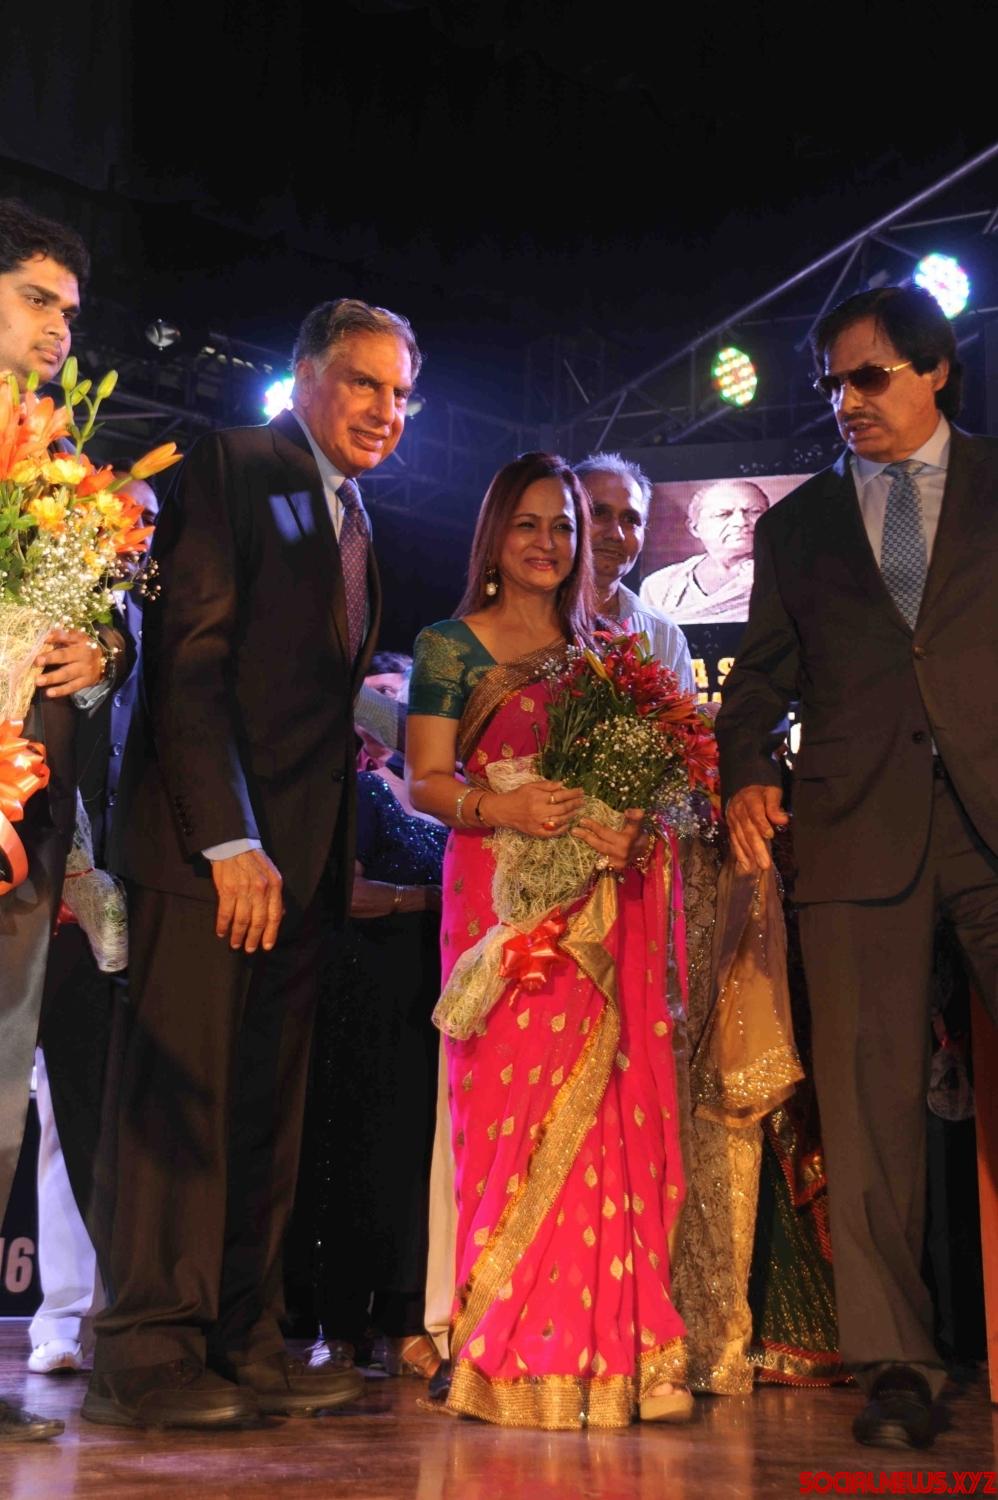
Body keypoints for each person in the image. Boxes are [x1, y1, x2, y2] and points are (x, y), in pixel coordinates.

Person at [86, 298, 420, 1430]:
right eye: (364, 382)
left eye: (401, 394)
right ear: (305, 375)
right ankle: (146, 1353)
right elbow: (189, 665)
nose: (385, 410)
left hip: (303, 868)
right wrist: (228, 838)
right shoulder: (235, 466)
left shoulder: (351, 512)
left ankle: (243, 1341)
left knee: (264, 1115)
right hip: (208, 858)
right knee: (179, 1107)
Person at [716, 285, 998, 1449]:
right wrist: (745, 770)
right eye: (831, 382)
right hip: (850, 833)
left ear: (934, 371)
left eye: (868, 375)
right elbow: (756, 682)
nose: (845, 400)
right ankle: (896, 1366)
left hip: (988, 822)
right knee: (868, 1108)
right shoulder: (796, 528)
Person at [406, 452, 690, 1429]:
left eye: (563, 526)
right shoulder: (450, 647)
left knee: (603, 1112)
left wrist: (631, 826)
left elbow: (655, 784)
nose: (547, 543)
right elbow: (425, 781)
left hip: (598, 909)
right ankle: (507, 1345)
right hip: (497, 903)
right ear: (494, 536)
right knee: (507, 1117)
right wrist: (506, 807)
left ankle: (615, 1352)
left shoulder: (607, 652)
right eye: (527, 524)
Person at [0, 198, 125, 1443]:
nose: (59, 329)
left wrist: (101, 656)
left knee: (4, 1091)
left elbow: (114, 634)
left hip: (31, 827)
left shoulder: (70, 476)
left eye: (70, 313)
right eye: (37, 299)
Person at [301, 654, 446, 1380]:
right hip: (369, 991)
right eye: (386, 700)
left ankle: (407, 1317)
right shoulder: (360, 789)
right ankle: (343, 1321)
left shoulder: (446, 795)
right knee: (365, 1152)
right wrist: (423, 901)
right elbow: (342, 894)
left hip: (435, 994)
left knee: (421, 1158)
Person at [573, 452, 695, 693]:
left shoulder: (665, 636)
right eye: (599, 513)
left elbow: (683, 718)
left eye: (631, 520)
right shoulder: (525, 619)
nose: (616, 534)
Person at [639, 479, 769, 623]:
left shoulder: (783, 574)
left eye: (755, 512)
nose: (741, 522)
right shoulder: (659, 584)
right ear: (695, 528)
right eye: (723, 514)